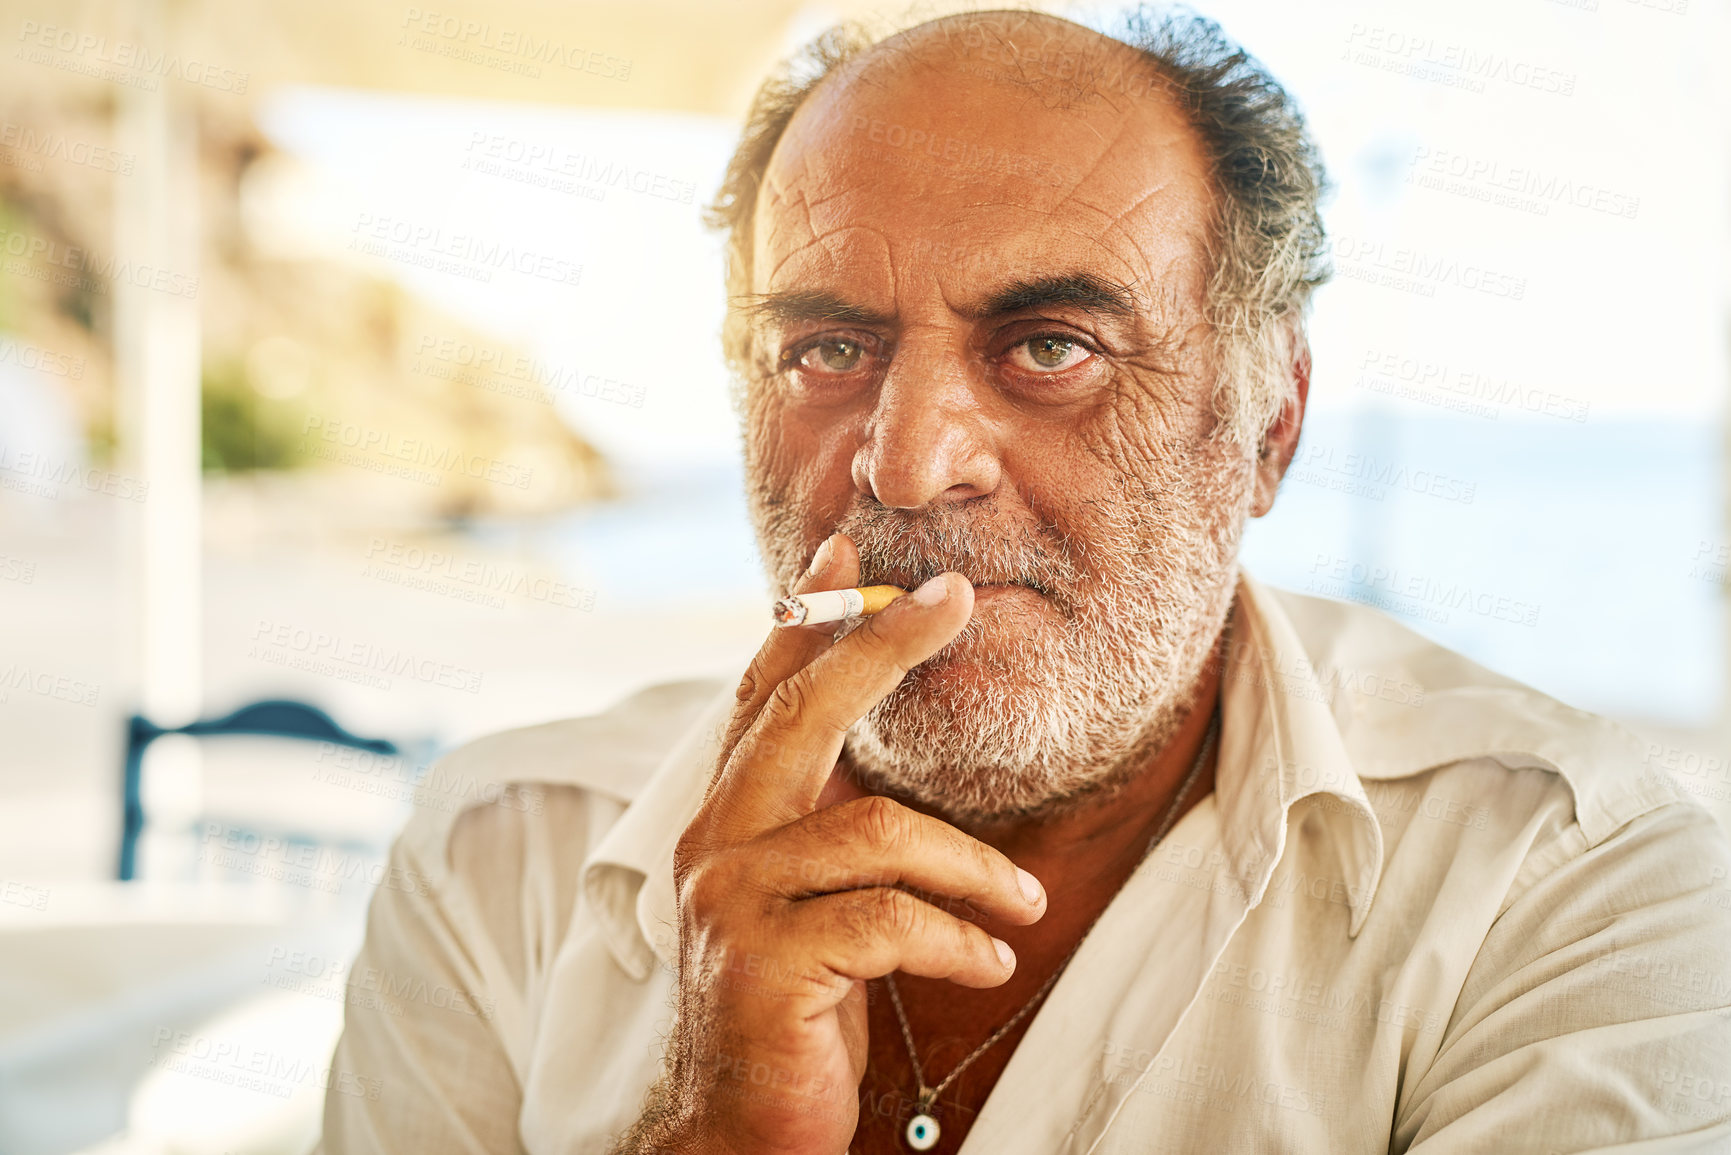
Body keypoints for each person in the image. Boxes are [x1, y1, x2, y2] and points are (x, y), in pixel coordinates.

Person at [316, 8, 1731, 1153]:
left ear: (1267, 426)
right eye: (826, 351)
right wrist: (720, 1128)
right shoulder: (499, 860)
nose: (910, 466)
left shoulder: (1566, 892)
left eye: (1050, 345)